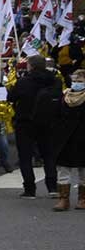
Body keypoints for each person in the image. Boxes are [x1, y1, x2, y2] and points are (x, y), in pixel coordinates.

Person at [9, 55, 59, 197]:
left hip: (25, 122)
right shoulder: (54, 80)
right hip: (48, 122)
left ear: (30, 66)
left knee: (25, 157)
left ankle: (30, 189)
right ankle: (52, 187)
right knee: (49, 156)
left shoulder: (23, 81)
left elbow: (11, 98)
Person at [45, 65, 85, 209]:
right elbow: (55, 116)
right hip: (64, 139)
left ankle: (82, 199)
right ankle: (64, 199)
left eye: (80, 80)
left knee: (83, 171)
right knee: (63, 170)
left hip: (82, 139)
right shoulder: (64, 96)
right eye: (74, 80)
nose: (76, 83)